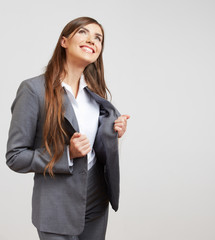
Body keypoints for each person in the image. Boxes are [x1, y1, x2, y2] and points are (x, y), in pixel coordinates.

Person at [6, 16, 130, 240]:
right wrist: (67, 154)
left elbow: (95, 149)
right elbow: (15, 157)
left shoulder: (96, 94)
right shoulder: (33, 90)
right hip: (56, 205)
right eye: (83, 32)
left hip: (96, 199)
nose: (92, 40)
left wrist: (112, 133)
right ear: (64, 41)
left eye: (98, 38)